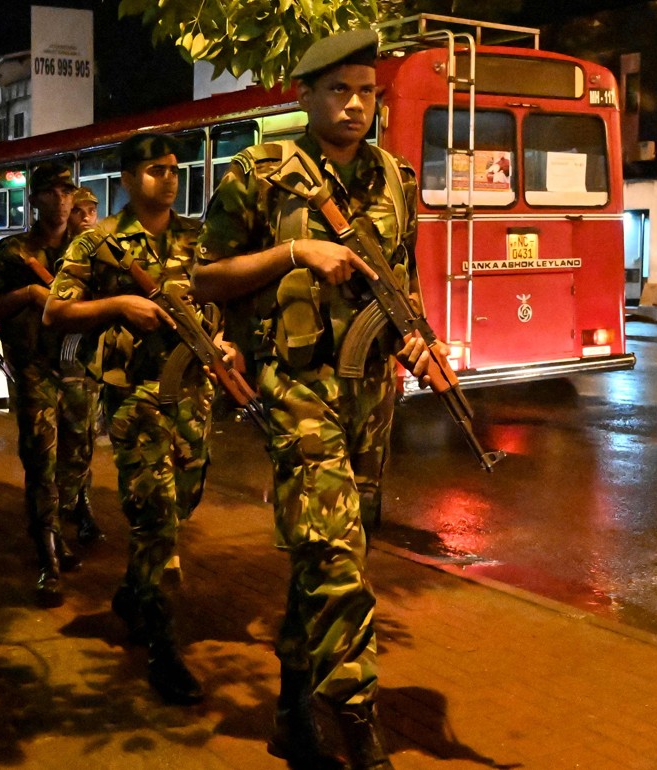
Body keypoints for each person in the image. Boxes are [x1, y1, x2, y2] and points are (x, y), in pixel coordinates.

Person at [191, 29, 437, 770]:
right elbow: (206, 277)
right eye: (341, 90)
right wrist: (296, 252)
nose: (357, 104)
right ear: (304, 97)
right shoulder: (260, 175)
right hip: (296, 390)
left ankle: (293, 712)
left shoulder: (396, 180)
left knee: (325, 555)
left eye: (368, 91)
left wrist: (421, 342)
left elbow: (404, 284)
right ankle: (352, 719)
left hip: (370, 396)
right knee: (337, 556)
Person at [44, 133, 224, 706]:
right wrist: (119, 305)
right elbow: (56, 310)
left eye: (173, 169)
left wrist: (225, 340)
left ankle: (130, 593)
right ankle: (161, 648)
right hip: (134, 400)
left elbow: (229, 298)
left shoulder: (200, 239)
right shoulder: (99, 243)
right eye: (153, 170)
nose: (168, 179)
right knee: (155, 522)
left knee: (186, 498)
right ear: (126, 179)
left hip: (192, 395)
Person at [0, 163, 101, 608]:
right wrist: (26, 295)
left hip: (79, 371)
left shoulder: (89, 250)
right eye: (52, 191)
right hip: (34, 371)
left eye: (68, 190)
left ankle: (60, 531)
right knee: (41, 464)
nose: (62, 199)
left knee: (77, 461)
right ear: (36, 199)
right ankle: (47, 556)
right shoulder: (13, 253)